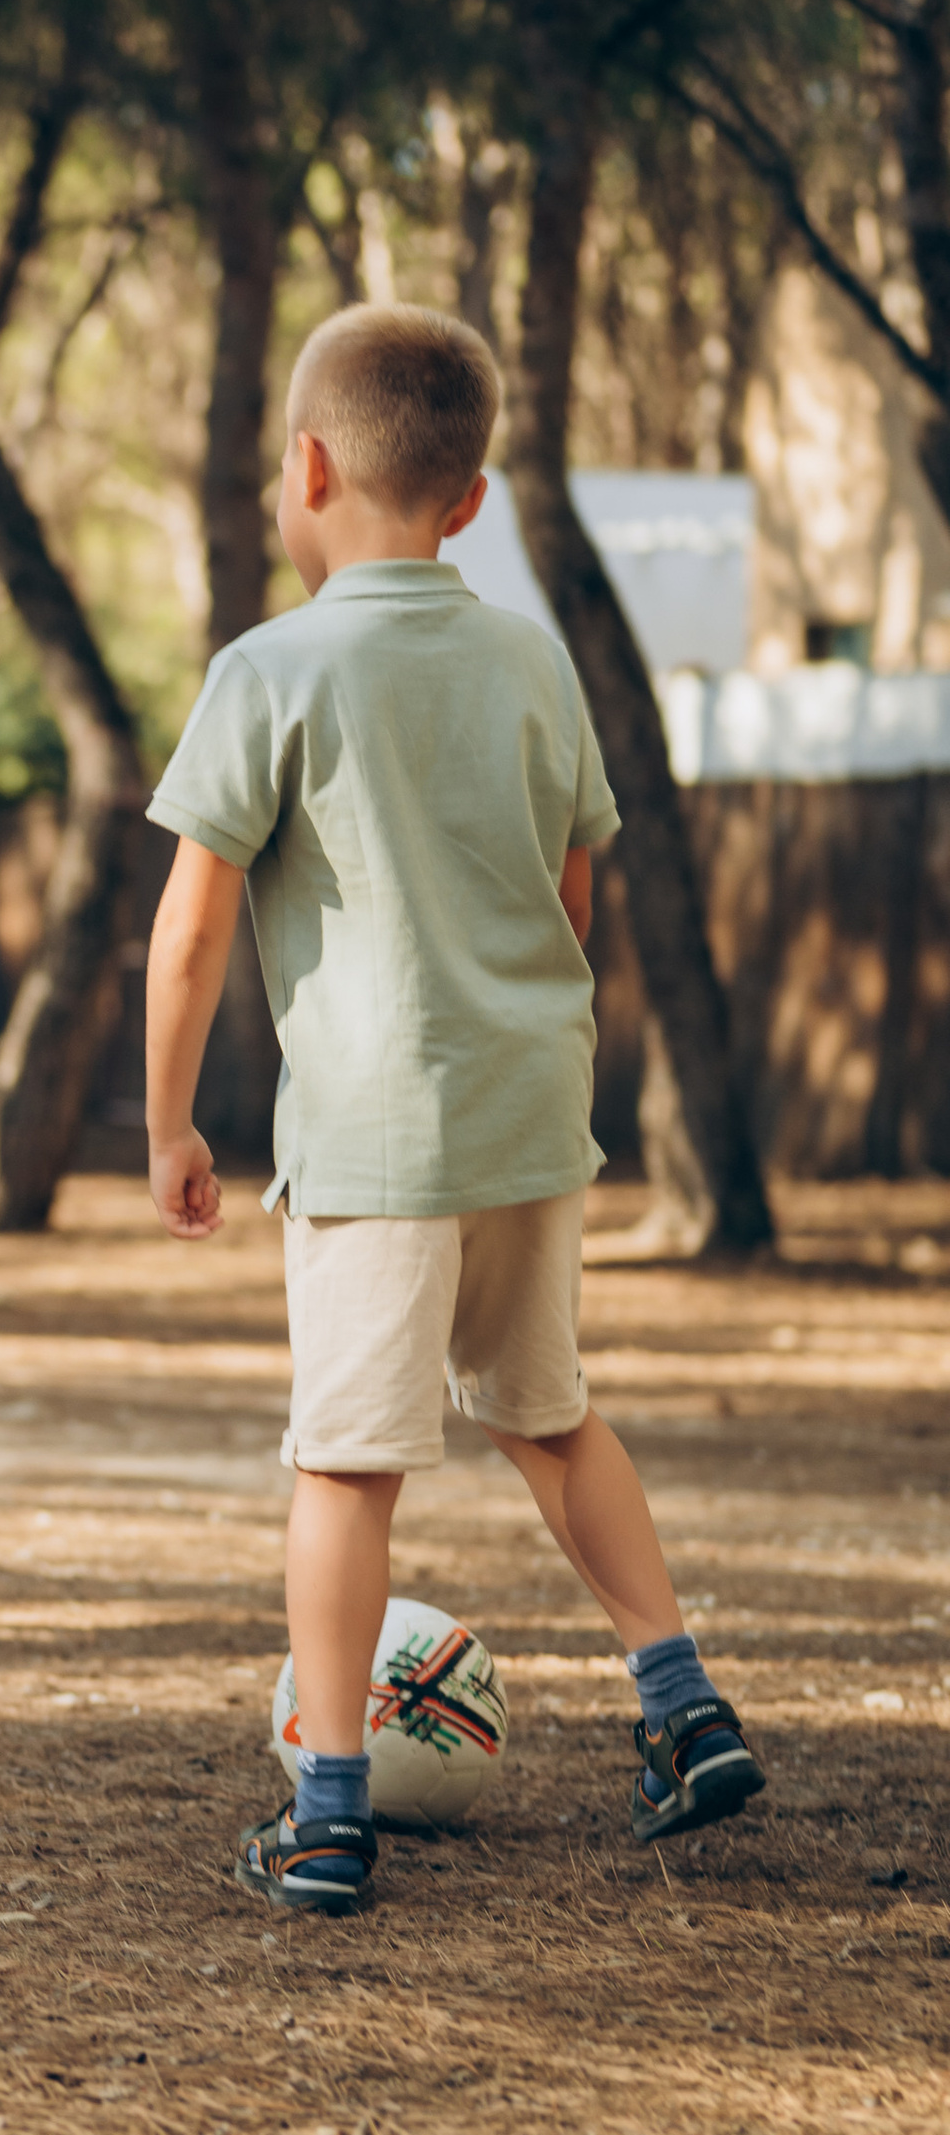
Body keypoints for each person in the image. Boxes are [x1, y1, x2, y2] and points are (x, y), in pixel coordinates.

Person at [141, 303, 767, 1916]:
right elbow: (566, 885)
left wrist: (169, 1123)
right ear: (473, 499)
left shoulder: (267, 670)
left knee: (348, 1467)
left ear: (308, 469)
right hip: (528, 1116)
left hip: (377, 1132)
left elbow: (196, 925)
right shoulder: (531, 660)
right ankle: (683, 1705)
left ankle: (332, 1807)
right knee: (548, 1414)